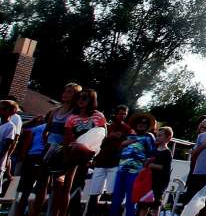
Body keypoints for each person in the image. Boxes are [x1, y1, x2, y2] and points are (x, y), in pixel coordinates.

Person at [51, 88, 107, 216]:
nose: (81, 100)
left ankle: (70, 211)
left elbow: (102, 136)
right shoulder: (72, 117)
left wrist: (93, 156)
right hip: (71, 154)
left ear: (91, 100)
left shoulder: (98, 116)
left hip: (87, 153)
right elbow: (66, 139)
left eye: (85, 98)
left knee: (74, 186)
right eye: (79, 97)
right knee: (63, 187)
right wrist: (65, 156)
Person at [29, 83, 81, 216]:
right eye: (65, 91)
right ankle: (36, 212)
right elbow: (46, 131)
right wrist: (48, 145)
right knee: (41, 184)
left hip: (63, 151)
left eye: (70, 92)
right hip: (49, 149)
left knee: (59, 186)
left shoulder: (76, 113)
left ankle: (56, 213)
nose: (65, 94)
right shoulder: (55, 111)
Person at [110, 114, 156, 216]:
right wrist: (123, 144)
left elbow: (153, 155)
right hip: (121, 170)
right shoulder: (129, 136)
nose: (141, 124)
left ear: (148, 125)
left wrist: (145, 164)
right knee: (116, 198)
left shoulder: (148, 137)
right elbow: (119, 152)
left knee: (131, 199)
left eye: (144, 123)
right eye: (139, 122)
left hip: (135, 172)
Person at [138, 126, 173, 216]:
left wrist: (151, 165)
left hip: (159, 183)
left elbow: (164, 168)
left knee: (155, 205)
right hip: (149, 181)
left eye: (160, 135)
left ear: (168, 138)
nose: (157, 138)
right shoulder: (153, 151)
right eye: (157, 135)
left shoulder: (167, 153)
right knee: (143, 205)